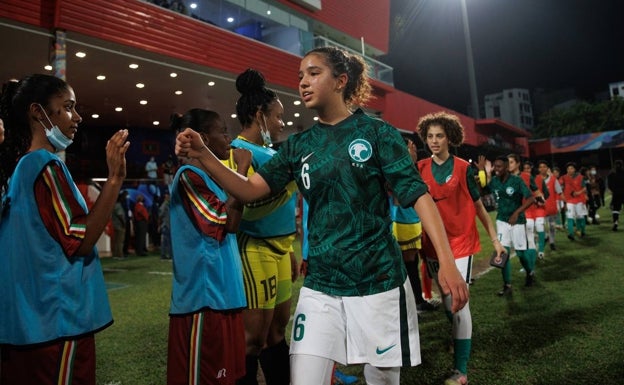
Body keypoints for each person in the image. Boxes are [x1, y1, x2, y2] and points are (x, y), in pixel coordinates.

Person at [175, 46, 469, 385]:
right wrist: (204, 154)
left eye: (314, 73)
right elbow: (249, 189)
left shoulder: (377, 133)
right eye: (300, 75)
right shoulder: (299, 146)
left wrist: (447, 261)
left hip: (379, 284)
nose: (303, 82)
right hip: (321, 287)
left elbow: (419, 196)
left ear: (341, 81)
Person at [0, 74, 129, 384]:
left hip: (28, 322)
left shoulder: (21, 168)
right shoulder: (44, 164)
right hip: (56, 321)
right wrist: (114, 179)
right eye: (68, 107)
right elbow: (80, 240)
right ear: (38, 112)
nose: (78, 117)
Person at [416, 111, 506, 385]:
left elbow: (479, 207)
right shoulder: (419, 168)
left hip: (460, 243)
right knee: (446, 300)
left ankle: (461, 371)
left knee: (457, 303)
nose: (434, 141)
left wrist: (495, 239)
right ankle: (457, 338)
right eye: (430, 136)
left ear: (450, 138)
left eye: (439, 136)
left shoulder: (464, 169)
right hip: (432, 243)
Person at [222, 68, 298, 385]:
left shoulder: (269, 152)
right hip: (254, 251)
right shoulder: (237, 153)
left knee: (278, 332)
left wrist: (290, 247)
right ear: (259, 115)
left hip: (281, 250)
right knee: (252, 339)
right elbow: (242, 208)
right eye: (278, 117)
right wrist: (292, 184)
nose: (282, 123)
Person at [167, 109, 249, 385]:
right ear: (202, 138)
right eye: (222, 130)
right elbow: (223, 222)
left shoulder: (216, 180)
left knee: (228, 377)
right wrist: (241, 171)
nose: (228, 137)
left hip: (226, 295)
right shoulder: (189, 176)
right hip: (203, 300)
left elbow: (233, 223)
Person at [389, 138, 438, 313]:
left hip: (410, 221)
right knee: (407, 265)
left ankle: (416, 300)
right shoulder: (394, 168)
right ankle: (413, 303)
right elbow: (397, 193)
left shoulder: (406, 168)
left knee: (411, 263)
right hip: (403, 222)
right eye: (411, 148)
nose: (414, 151)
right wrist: (408, 162)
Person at [486, 156, 535, 296]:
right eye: (495, 166)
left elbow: (531, 198)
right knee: (503, 253)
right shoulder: (494, 181)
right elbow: (481, 189)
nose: (497, 169)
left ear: (507, 167)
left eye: (500, 166)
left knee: (521, 254)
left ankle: (529, 271)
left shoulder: (517, 181)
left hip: (517, 221)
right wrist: (484, 173)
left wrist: (516, 213)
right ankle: (507, 285)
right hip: (501, 220)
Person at [537, 160, 562, 252]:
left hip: (551, 207)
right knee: (541, 226)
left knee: (551, 226)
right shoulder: (536, 179)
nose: (542, 168)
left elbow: (559, 191)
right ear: (538, 169)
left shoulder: (553, 179)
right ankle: (545, 237)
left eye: (544, 166)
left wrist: (562, 203)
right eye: (541, 167)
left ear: (547, 168)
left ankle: (552, 242)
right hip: (540, 208)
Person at [559, 162, 587, 240]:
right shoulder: (563, 177)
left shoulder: (580, 177)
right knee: (570, 216)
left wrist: (578, 192)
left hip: (579, 200)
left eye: (571, 168)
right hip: (569, 200)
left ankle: (582, 231)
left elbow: (584, 188)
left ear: (574, 169)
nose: (569, 170)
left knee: (580, 216)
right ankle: (571, 234)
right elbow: (559, 184)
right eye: (568, 169)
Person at [607, 160, 624, 231]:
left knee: (616, 209)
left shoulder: (611, 174)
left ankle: (615, 222)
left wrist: (612, 190)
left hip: (616, 194)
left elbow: (609, 185)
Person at [112, 191, 127, 259]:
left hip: (115, 225)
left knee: (116, 241)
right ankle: (120, 255)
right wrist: (124, 224)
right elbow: (120, 215)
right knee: (120, 241)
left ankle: (115, 254)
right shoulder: (118, 205)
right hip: (119, 225)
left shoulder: (114, 205)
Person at [159, 192, 172, 260]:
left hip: (168, 225)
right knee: (166, 241)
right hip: (165, 225)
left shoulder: (169, 205)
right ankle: (165, 255)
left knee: (167, 241)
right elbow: (160, 214)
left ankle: (166, 255)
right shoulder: (164, 205)